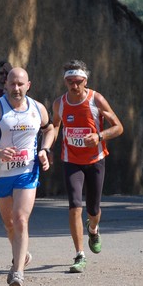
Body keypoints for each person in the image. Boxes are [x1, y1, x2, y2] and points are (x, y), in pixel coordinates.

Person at [0, 67, 54, 286]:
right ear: (5, 85)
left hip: (27, 172)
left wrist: (45, 150)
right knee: (9, 224)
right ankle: (22, 255)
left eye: (21, 84)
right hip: (1, 173)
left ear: (29, 85)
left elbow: (50, 128)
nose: (16, 89)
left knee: (20, 218)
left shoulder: (37, 108)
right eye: (12, 84)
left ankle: (18, 274)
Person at [51, 60, 123, 274]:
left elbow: (119, 127)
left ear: (86, 81)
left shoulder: (96, 99)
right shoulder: (59, 103)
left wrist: (99, 136)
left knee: (93, 209)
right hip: (71, 160)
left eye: (78, 82)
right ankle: (80, 255)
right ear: (65, 81)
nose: (74, 86)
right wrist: (47, 148)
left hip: (95, 160)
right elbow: (55, 125)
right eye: (70, 82)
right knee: (74, 205)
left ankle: (93, 229)